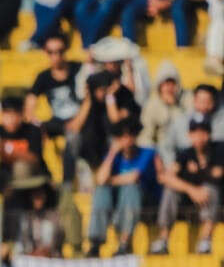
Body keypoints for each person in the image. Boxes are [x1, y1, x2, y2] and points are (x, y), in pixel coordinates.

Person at [87, 118, 160, 255]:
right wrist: (112, 153)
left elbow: (133, 177)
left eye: (129, 135)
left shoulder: (147, 153)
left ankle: (125, 241)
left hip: (145, 203)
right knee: (101, 191)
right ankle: (96, 242)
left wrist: (110, 180)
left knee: (131, 188)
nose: (126, 140)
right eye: (122, 136)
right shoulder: (115, 157)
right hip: (117, 203)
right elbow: (100, 179)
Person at [151, 118, 221, 254]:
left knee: (209, 190)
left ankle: (205, 239)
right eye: (195, 133)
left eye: (203, 133)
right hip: (189, 200)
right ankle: (163, 239)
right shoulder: (185, 154)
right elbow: (167, 177)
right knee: (170, 190)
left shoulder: (218, 150)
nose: (199, 137)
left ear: (209, 135)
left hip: (213, 201)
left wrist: (199, 172)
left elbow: (217, 175)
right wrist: (191, 190)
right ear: (190, 135)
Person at [28, 33, 83, 181]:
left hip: (81, 119)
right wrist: (34, 121)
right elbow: (30, 102)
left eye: (60, 51)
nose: (56, 56)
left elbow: (90, 97)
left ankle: (67, 184)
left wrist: (77, 121)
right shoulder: (43, 77)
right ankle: (43, 175)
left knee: (72, 137)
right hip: (57, 121)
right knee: (34, 131)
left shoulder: (78, 69)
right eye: (51, 52)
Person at [140, 62, 189, 161]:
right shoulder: (152, 104)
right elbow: (147, 133)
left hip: (182, 146)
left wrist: (174, 106)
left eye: (172, 83)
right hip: (160, 148)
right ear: (160, 85)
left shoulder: (185, 99)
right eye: (166, 83)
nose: (169, 87)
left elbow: (186, 126)